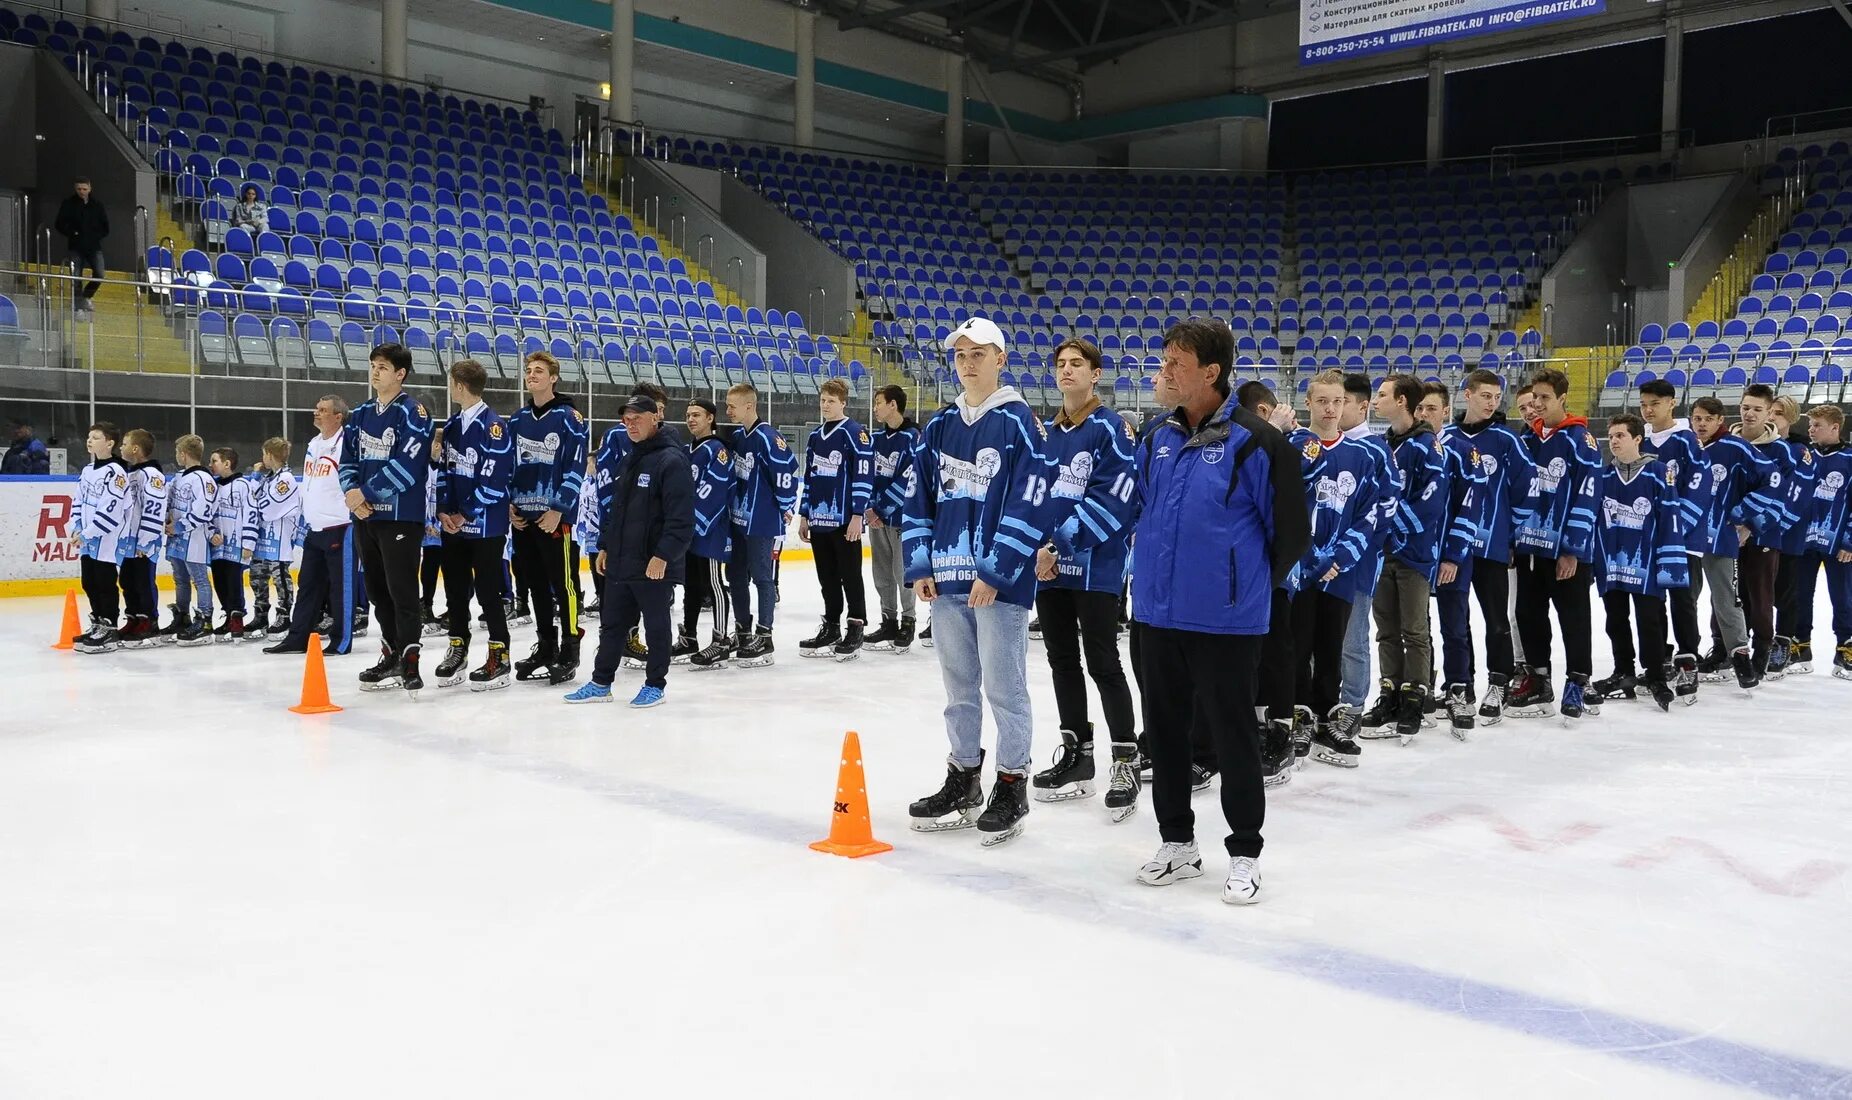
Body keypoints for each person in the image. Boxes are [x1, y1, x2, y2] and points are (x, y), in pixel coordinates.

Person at [1130, 318, 1308, 903]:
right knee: (1166, 733)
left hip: (1226, 623)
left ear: (1212, 372)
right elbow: (1145, 513)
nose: (1164, 371)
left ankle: (1245, 851)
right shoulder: (1156, 436)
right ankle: (1177, 842)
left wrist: (1242, 589)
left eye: (1176, 363)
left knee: (1233, 738)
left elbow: (1291, 537)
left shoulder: (1258, 442)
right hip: (1156, 616)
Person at [900, 317, 1060, 847]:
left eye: (979, 353)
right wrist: (921, 563)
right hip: (946, 582)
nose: (968, 363)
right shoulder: (939, 426)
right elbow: (918, 495)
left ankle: (1013, 782)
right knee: (959, 688)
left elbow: (1030, 502)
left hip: (998, 585)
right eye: (960, 354)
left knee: (1004, 688)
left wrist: (996, 571)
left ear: (1001, 359)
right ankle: (964, 776)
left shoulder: (1019, 423)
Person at [1029, 337, 1142, 821]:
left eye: (1077, 364)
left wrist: (1059, 546)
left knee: (1102, 661)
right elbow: (1035, 495)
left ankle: (1125, 759)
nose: (1067, 371)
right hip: (1048, 569)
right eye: (1061, 364)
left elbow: (1114, 500)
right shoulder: (1048, 432)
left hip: (1095, 567)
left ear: (1096, 374)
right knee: (1060, 661)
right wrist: (1037, 548)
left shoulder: (1112, 428)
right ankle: (1078, 755)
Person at [566, 395, 693, 707]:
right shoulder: (632, 457)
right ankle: (600, 682)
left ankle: (655, 684)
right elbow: (618, 510)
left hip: (652, 562)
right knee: (612, 625)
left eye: (637, 418)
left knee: (656, 626)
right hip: (623, 559)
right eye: (626, 419)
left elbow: (681, 519)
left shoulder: (672, 461)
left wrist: (663, 556)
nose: (631, 424)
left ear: (655, 418)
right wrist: (606, 546)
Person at [1288, 370, 1381, 768]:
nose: (1330, 409)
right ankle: (1297, 716)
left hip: (1340, 573)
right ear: (1307, 403)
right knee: (1296, 646)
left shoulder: (1361, 457)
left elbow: (1369, 514)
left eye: (1337, 402)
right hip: (1298, 572)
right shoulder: (1290, 447)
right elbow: (1283, 507)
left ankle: (1327, 718)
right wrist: (1309, 558)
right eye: (1322, 401)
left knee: (1331, 648)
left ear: (1347, 405)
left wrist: (1340, 558)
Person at [1360, 374, 1451, 742]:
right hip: (1382, 555)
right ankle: (1390, 692)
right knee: (1386, 630)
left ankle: (1415, 696)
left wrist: (1391, 526)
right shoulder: (1383, 445)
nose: (1375, 400)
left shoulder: (1427, 446)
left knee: (1415, 630)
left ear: (1401, 401)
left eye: (1382, 395)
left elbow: (1432, 501)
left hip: (1413, 554)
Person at [341, 343, 434, 694]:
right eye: (373, 365)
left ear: (400, 373)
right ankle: (391, 653)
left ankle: (410, 660)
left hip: (400, 519)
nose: (375, 371)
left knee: (402, 591)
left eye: (383, 366)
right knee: (378, 592)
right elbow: (347, 460)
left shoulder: (414, 413)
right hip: (365, 518)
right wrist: (352, 495)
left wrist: (365, 493)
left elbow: (408, 466)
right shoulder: (361, 413)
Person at [1508, 369, 1600, 719]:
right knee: (1528, 614)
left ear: (1563, 398)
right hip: (1530, 547)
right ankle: (1538, 678)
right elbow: (1514, 490)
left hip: (1565, 552)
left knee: (1573, 617)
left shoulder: (1580, 440)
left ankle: (1578, 680)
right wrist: (1512, 539)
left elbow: (1587, 497)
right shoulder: (1528, 439)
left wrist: (1572, 549)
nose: (1538, 406)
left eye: (1545, 398)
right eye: (1534, 400)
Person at [1440, 369, 1527, 723]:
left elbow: (1526, 488)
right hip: (1455, 550)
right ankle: (1461, 686)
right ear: (1467, 395)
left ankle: (1499, 681)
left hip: (1492, 547)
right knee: (1455, 622)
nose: (1492, 403)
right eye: (1485, 396)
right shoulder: (1445, 438)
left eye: (1496, 397)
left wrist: (1510, 531)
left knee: (1495, 619)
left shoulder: (1507, 440)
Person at [1591, 414, 1687, 712]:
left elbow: (1671, 519)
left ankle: (1656, 676)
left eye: (1621, 435)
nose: (1615, 441)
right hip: (1612, 562)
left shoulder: (1659, 473)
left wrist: (1669, 563)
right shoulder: (1604, 476)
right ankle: (1624, 671)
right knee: (1615, 619)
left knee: (1650, 620)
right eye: (1612, 436)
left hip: (1646, 562)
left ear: (1637, 439)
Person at [1687, 396, 1783, 690]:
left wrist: (1743, 514)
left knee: (1726, 598)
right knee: (1684, 598)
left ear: (1720, 421)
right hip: (1685, 537)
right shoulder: (1685, 447)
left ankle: (1740, 657)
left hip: (1718, 537)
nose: (1701, 424)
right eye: (1697, 418)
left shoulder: (1736, 447)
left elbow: (1774, 479)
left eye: (1707, 419)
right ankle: (1686, 656)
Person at [505, 350, 589, 685]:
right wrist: (510, 504)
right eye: (528, 370)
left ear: (553, 377)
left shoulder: (570, 418)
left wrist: (558, 508)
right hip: (524, 518)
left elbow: (575, 467)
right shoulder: (517, 420)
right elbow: (509, 466)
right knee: (535, 583)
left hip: (555, 519)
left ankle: (570, 646)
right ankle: (545, 644)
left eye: (539, 370)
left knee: (563, 583)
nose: (532, 374)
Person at [433, 358, 515, 690]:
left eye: (451, 382)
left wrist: (464, 513)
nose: (449, 387)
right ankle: (458, 649)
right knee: (453, 591)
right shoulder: (452, 425)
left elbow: (495, 480)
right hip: (453, 526)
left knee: (488, 592)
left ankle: (500, 655)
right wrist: (442, 510)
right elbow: (443, 472)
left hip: (485, 527)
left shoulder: (494, 426)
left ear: (460, 385)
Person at [1415, 381, 1486, 734]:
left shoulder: (1462, 451)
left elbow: (1470, 509)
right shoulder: (1408, 449)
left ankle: (1459, 688)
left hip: (1449, 559)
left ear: (1446, 411)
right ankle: (1421, 688)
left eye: (1432, 408)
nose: (1425, 414)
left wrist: (1454, 556)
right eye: (1421, 409)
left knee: (1454, 626)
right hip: (1414, 558)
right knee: (1416, 628)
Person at [266, 396, 360, 657]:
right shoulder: (314, 443)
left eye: (323, 410)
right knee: (308, 585)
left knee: (341, 588)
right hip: (314, 528)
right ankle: (297, 638)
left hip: (341, 526)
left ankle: (341, 640)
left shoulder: (347, 442)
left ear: (338, 416)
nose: (316, 413)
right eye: (316, 409)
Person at [1637, 378, 1707, 703]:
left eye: (1654, 403)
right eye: (1643, 404)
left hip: (1680, 539)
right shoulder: (1640, 441)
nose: (1648, 409)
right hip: (1649, 537)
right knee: (1652, 603)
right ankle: (1660, 658)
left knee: (1683, 599)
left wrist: (1681, 525)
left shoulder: (1686, 441)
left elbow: (1700, 484)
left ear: (1671, 403)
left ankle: (1688, 658)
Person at [1336, 372, 1401, 722]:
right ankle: (1322, 701)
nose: (1335, 409)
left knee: (1353, 637)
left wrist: (1357, 547)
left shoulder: (1376, 449)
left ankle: (1353, 705)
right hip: (1324, 563)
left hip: (1358, 563)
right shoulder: (1325, 444)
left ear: (1362, 407)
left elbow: (1387, 507)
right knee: (1320, 634)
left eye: (1342, 402)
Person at [798, 378, 874, 659]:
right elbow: (809, 478)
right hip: (819, 520)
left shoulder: (856, 433)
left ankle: (856, 624)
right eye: (822, 400)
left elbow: (864, 475)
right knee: (827, 577)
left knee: (850, 574)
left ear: (843, 402)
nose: (825, 405)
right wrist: (804, 514)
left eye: (831, 401)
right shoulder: (816, 436)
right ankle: (831, 625)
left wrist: (857, 514)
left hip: (844, 520)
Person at [723, 382, 798, 666]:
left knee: (763, 578)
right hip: (738, 520)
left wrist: (785, 505)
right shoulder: (739, 437)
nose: (728, 410)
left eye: (732, 405)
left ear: (749, 406)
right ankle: (743, 631)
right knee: (736, 577)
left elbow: (787, 471)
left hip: (762, 521)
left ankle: (764, 636)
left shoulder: (768, 437)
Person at [1733, 385, 1793, 684]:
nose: (1750, 413)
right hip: (1727, 534)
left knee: (1760, 595)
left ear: (1770, 412)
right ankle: (1728, 647)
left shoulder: (1781, 450)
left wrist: (1750, 526)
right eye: (1746, 407)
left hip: (1763, 535)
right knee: (1732, 594)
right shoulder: (1729, 443)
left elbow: (1782, 497)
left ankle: (1762, 649)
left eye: (1757, 409)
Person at [1793, 405, 1852, 678]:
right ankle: (1799, 649)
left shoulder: (1850, 458)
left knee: (1844, 599)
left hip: (1838, 544)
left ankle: (1846, 650)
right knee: (1800, 595)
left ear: (1835, 427)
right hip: (1803, 541)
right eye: (1810, 424)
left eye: (1817, 424)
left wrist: (1850, 541)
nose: (1811, 429)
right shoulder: (1804, 456)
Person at [680, 398, 736, 669]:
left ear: (710, 418)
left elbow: (715, 490)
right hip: (687, 530)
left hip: (710, 529)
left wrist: (695, 522)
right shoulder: (686, 449)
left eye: (697, 415)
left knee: (714, 584)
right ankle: (688, 636)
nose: (691, 419)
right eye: (688, 415)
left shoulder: (717, 450)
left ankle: (721, 640)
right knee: (691, 584)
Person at [864, 385, 920, 652]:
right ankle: (889, 620)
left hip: (901, 518)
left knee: (902, 571)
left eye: (879, 403)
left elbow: (908, 479)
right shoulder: (875, 439)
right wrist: (868, 508)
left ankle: (908, 620)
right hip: (876, 518)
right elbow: (867, 477)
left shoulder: (913, 438)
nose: (875, 408)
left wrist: (881, 508)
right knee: (882, 572)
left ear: (893, 405)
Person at [69, 423, 132, 653]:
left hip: (106, 540)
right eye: (89, 436)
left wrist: (87, 533)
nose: (89, 440)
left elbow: (111, 511)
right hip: (87, 538)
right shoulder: (88, 470)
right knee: (89, 582)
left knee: (105, 582)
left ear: (110, 443)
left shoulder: (115, 473)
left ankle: (110, 627)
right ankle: (97, 622)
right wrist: (76, 527)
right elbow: (77, 501)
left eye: (96, 437)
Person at [1766, 396, 1816, 680]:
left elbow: (1799, 494)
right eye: (1770, 411)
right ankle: (1757, 642)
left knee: (1786, 593)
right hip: (1760, 533)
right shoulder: (1760, 445)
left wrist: (1775, 523)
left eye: (1779, 413)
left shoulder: (1800, 450)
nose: (1773, 417)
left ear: (1791, 417)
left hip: (1787, 534)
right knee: (1756, 593)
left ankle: (1783, 643)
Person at [247, 438, 302, 638]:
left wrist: (255, 503)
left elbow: (266, 508)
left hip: (278, 538)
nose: (262, 458)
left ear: (270, 455)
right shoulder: (268, 478)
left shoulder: (285, 480)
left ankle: (285, 615)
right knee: (257, 576)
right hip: (262, 539)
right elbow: (252, 498)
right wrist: (255, 476)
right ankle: (260, 614)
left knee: (280, 577)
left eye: (264, 454)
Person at [165, 434, 216, 646]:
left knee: (199, 579)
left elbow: (203, 511)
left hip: (193, 538)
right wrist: (167, 519)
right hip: (176, 537)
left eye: (178, 452)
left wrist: (178, 526)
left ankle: (204, 621)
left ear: (184, 454)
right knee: (180, 577)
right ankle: (182, 616)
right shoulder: (179, 477)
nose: (176, 456)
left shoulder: (203, 479)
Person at [118, 428, 165, 647]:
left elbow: (154, 509)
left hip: (144, 541)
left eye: (125, 443)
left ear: (136, 448)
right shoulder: (130, 473)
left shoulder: (152, 475)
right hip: (129, 540)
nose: (121, 447)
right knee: (127, 579)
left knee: (144, 581)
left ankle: (149, 621)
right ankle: (134, 617)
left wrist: (145, 541)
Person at [205, 446, 257, 639]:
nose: (210, 465)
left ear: (227, 463)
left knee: (233, 581)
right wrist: (211, 533)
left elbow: (251, 515)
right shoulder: (213, 487)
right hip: (218, 547)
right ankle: (228, 615)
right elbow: (206, 514)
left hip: (236, 547)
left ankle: (237, 617)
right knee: (220, 581)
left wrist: (248, 543)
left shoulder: (243, 485)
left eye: (214, 461)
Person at [54, 177, 108, 317]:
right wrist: (72, 233)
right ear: (75, 189)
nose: (82, 192)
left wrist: (95, 236)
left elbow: (105, 226)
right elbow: (59, 223)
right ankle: (78, 304)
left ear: (90, 189)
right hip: (76, 246)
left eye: (84, 189)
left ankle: (85, 297)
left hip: (93, 246)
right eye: (79, 189)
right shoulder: (68, 204)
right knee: (76, 276)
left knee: (100, 274)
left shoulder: (97, 205)